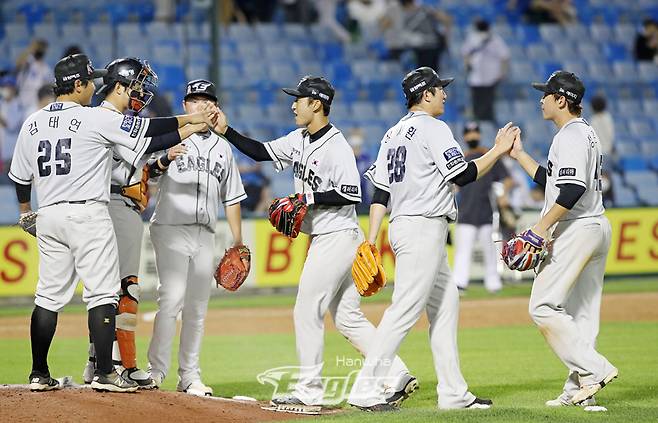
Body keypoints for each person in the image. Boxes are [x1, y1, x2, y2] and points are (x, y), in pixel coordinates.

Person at [8, 54, 216, 393]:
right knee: (103, 294)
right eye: (89, 81)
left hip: (48, 214)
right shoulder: (91, 118)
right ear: (76, 86)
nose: (94, 86)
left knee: (47, 296)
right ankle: (106, 372)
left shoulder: (33, 122)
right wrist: (190, 120)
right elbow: (148, 130)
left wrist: (24, 211)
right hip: (88, 212)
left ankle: (38, 374)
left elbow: (19, 176)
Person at [212, 76, 416, 412]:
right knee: (348, 318)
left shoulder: (336, 146)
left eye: (300, 100)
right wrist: (227, 131)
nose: (294, 105)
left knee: (307, 310)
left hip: (336, 236)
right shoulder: (299, 139)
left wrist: (306, 197)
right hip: (333, 236)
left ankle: (309, 390)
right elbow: (261, 151)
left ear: (316, 104)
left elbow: (351, 193)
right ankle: (396, 373)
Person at [347, 67, 518, 411]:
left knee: (445, 305)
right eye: (440, 90)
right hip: (423, 226)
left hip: (408, 225)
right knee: (405, 309)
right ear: (426, 94)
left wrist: (372, 238)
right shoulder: (433, 127)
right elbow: (464, 174)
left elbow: (380, 192)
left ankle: (453, 393)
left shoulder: (392, 133)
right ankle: (365, 389)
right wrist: (498, 150)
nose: (445, 95)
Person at [81, 57, 205, 389]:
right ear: (120, 86)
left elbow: (148, 162)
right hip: (118, 202)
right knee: (126, 288)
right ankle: (124, 365)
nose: (142, 93)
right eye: (137, 87)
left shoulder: (108, 119)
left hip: (115, 201)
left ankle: (98, 361)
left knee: (106, 290)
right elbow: (152, 138)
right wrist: (193, 123)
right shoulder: (111, 120)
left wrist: (184, 134)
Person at [509, 70, 617, 407]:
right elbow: (553, 180)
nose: (541, 100)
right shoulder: (586, 133)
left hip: (578, 226)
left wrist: (541, 229)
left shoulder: (568, 135)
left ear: (561, 100)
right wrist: (519, 155)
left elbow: (571, 189)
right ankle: (580, 391)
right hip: (596, 224)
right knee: (582, 313)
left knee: (542, 306)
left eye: (546, 94)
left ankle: (595, 369)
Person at [147, 79, 248, 397]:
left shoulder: (223, 148)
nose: (202, 104)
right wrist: (164, 159)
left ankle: (189, 375)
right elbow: (146, 172)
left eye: (208, 100)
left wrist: (237, 240)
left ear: (216, 107)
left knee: (197, 308)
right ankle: (155, 371)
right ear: (185, 105)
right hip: (170, 227)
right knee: (172, 298)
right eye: (195, 99)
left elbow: (232, 198)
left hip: (205, 233)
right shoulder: (170, 136)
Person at [452, 121, 512, 294]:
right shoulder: (460, 158)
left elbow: (507, 179)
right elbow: (454, 185)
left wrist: (502, 193)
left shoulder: (489, 156)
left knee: (490, 252)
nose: (472, 136)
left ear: (478, 135)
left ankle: (493, 283)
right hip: (466, 213)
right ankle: (459, 283)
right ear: (465, 137)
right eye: (469, 133)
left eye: (475, 133)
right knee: (463, 252)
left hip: (487, 212)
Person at [461, 19, 510, 123]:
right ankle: (481, 119)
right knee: (485, 100)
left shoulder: (481, 39)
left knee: (482, 100)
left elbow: (465, 54)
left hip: (483, 76)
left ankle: (483, 120)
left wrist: (467, 66)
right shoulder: (494, 39)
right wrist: (503, 72)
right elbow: (504, 57)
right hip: (485, 76)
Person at [381, 0, 452, 69]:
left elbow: (446, 20)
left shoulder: (424, 10)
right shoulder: (395, 10)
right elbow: (383, 26)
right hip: (411, 49)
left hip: (429, 48)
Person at [15, 39, 53, 112]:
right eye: (38, 48)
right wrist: (30, 49)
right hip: (22, 101)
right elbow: (18, 62)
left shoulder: (46, 69)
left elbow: (49, 86)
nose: (39, 50)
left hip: (36, 103)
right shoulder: (28, 63)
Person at [589, 95, 614, 159]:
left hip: (598, 154)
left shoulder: (593, 120)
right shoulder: (608, 117)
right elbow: (611, 135)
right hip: (608, 152)